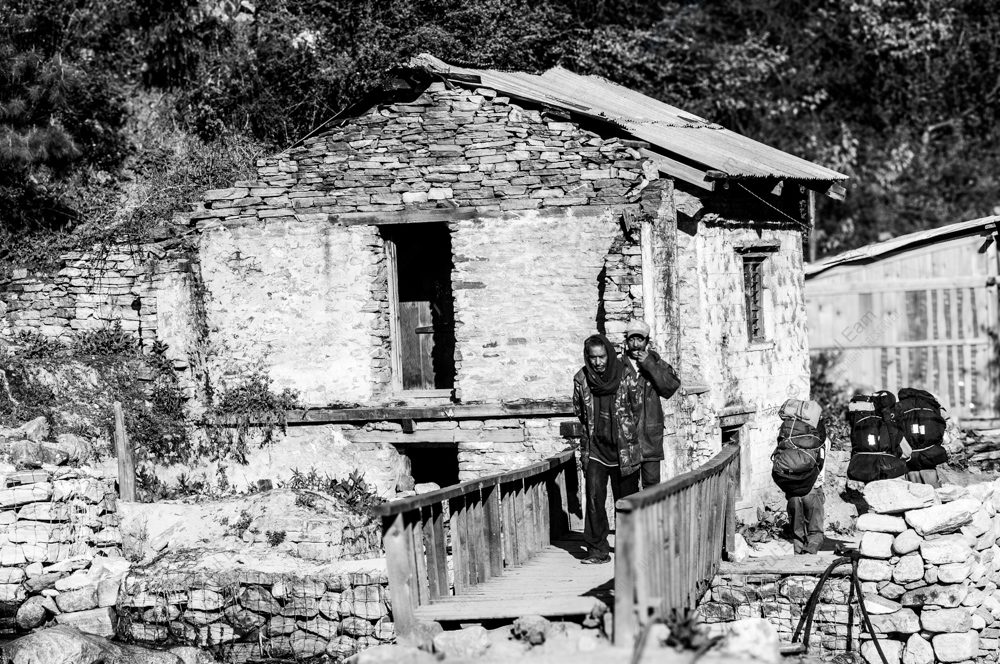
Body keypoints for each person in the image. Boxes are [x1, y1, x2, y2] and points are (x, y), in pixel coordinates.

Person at [572, 334, 642, 564]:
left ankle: (629, 549)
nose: (598, 362)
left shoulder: (624, 374)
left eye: (602, 356)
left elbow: (637, 407)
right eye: (593, 358)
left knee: (627, 501)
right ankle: (597, 550)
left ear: (608, 355)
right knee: (594, 500)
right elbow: (580, 412)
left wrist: (626, 433)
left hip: (623, 450)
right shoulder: (581, 379)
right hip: (596, 449)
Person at [621, 319, 680, 488]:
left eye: (640, 339)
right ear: (626, 342)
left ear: (647, 342)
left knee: (652, 488)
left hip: (650, 438)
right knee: (628, 488)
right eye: (632, 339)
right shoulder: (619, 365)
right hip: (626, 437)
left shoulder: (657, 363)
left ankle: (652, 516)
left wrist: (649, 364)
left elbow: (669, 388)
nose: (635, 344)